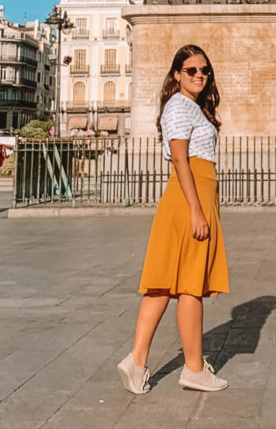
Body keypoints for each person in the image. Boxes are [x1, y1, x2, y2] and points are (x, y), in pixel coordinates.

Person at [117, 44, 229, 394]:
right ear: (177, 74)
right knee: (190, 286)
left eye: (204, 70)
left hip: (191, 197)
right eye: (192, 70)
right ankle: (194, 369)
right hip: (188, 199)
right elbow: (180, 160)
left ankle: (136, 361)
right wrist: (196, 209)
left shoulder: (191, 107)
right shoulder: (179, 106)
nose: (200, 75)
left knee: (164, 284)